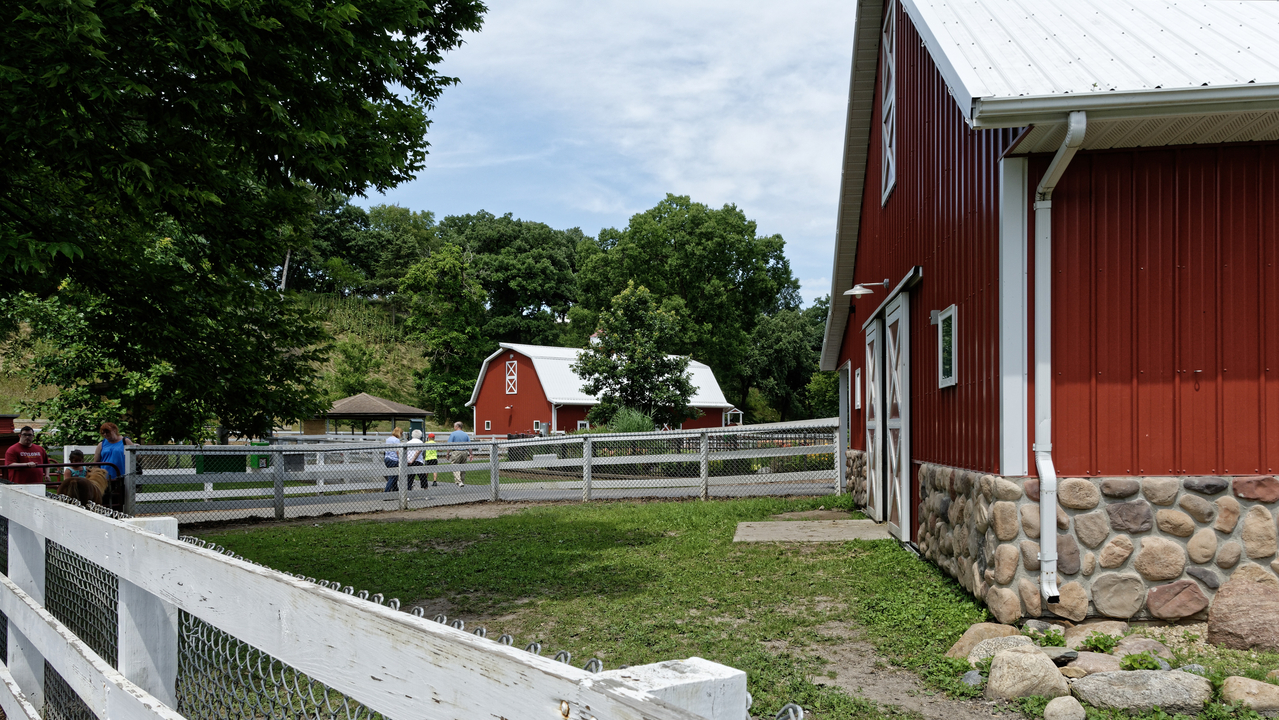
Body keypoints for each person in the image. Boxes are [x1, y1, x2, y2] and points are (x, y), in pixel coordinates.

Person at [447, 421, 471, 486]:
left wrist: (448, 454)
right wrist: (471, 454)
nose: (454, 427)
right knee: (463, 466)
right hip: (464, 452)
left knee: (455, 465)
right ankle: (462, 480)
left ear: (457, 426)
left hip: (456, 452)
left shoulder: (453, 434)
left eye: (454, 426)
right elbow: (469, 445)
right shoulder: (465, 434)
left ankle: (459, 481)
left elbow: (449, 445)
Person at [383, 427, 403, 492]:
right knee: (392, 477)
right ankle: (387, 492)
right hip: (394, 459)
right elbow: (398, 451)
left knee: (394, 476)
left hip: (387, 458)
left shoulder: (388, 439)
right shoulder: (397, 440)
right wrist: (401, 459)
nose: (401, 435)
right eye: (401, 433)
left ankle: (395, 491)